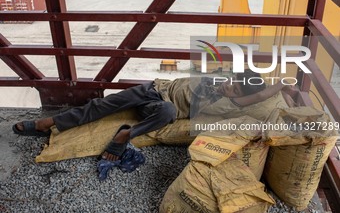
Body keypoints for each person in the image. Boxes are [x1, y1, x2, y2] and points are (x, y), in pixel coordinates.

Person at [12, 69, 297, 162]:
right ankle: (48, 123)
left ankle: (125, 136)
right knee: (103, 105)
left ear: (238, 99)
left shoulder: (229, 106)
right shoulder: (220, 75)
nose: (227, 87)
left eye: (233, 91)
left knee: (168, 109)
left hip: (160, 109)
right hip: (151, 89)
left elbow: (259, 97)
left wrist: (283, 84)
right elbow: (249, 83)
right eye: (230, 82)